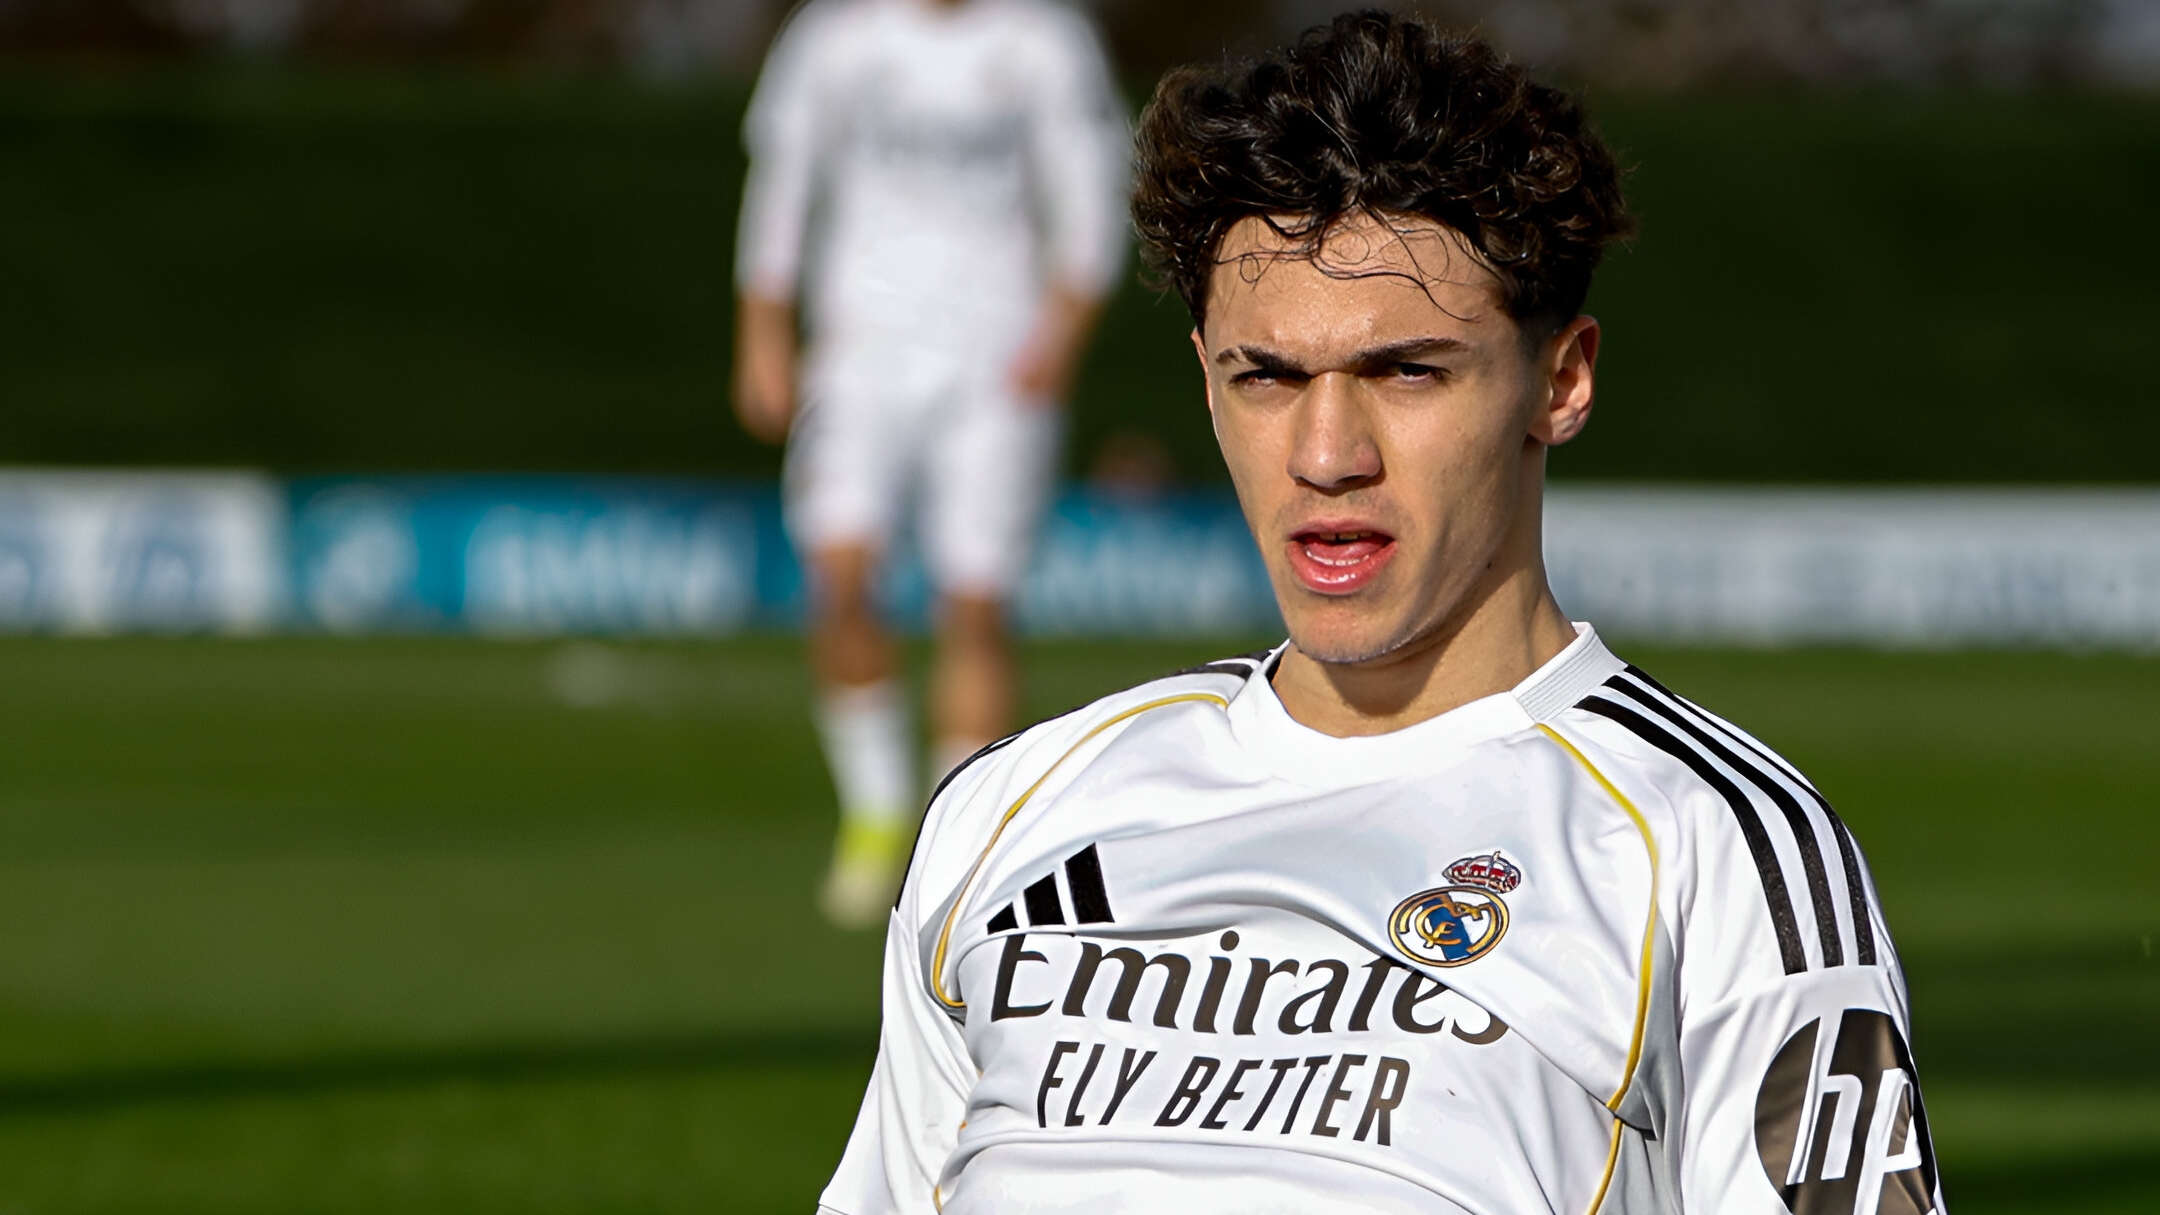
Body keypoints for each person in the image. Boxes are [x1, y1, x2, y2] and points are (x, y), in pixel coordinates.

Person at [816, 11, 1944, 1215]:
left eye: (1408, 372)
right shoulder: (1012, 808)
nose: (1327, 453)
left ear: (1559, 381)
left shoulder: (1710, 849)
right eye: (1268, 378)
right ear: (1206, 378)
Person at [731, 0, 1128, 927]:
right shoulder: (835, 36)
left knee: (976, 596)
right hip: (859, 350)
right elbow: (783, 183)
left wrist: (1063, 329)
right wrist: (762, 331)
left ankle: (955, 840)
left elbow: (1091, 190)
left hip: (996, 359)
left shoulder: (1042, 38)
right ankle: (873, 812)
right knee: (839, 567)